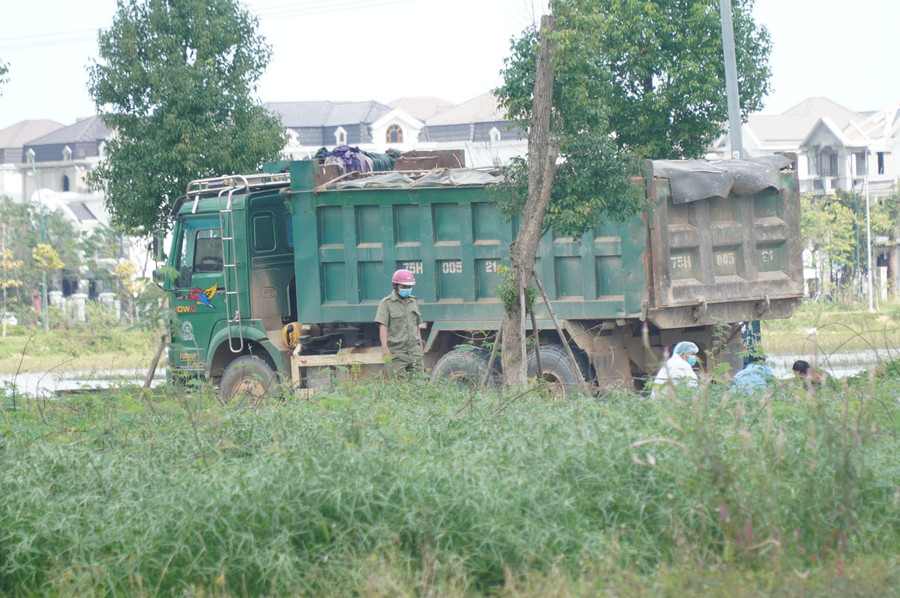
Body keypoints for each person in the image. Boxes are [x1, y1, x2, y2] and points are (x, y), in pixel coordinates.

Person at [375, 269, 425, 379]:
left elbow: (417, 324)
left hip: (414, 351)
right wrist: (385, 349)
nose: (407, 289)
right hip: (396, 353)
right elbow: (383, 327)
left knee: (418, 386)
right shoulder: (386, 303)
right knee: (399, 388)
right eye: (404, 287)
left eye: (409, 287)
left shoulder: (413, 301)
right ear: (395, 285)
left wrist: (420, 345)